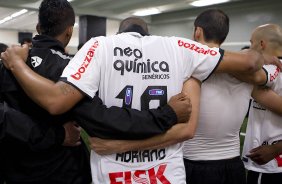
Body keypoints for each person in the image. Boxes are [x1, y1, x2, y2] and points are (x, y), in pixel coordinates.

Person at [1, 14, 280, 183]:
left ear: (122, 34)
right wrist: (265, 63)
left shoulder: (99, 46)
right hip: (166, 175)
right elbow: (248, 63)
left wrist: (15, 62)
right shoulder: (178, 48)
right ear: (146, 34)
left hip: (113, 175)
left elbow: (57, 100)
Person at [242, 24, 282, 184]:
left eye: (252, 43)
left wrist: (276, 149)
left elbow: (247, 76)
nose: (250, 47)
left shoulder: (269, 71)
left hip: (269, 164)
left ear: (261, 44)